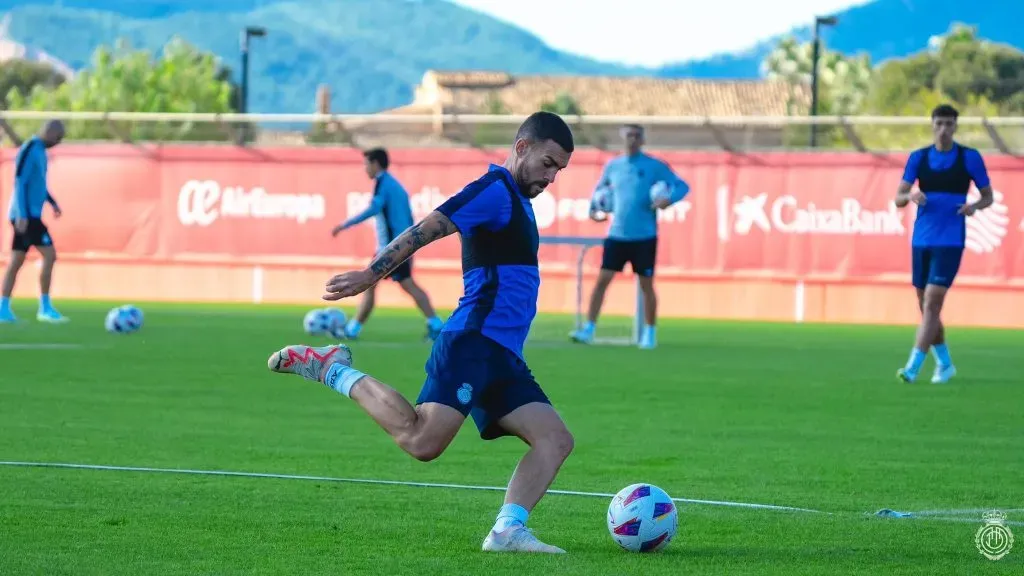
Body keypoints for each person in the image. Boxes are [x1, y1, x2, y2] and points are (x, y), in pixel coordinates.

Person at [269, 112, 576, 553]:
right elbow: (426, 228)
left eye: (559, 170)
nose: (551, 176)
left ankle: (507, 532)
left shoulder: (517, 199)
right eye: (548, 163)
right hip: (473, 343)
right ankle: (331, 369)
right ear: (522, 147)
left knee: (555, 439)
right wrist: (370, 274)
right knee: (422, 441)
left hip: (503, 355)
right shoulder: (493, 191)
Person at [895, 104, 993, 384]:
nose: (944, 129)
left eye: (949, 124)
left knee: (933, 303)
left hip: (950, 240)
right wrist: (911, 194)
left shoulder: (969, 158)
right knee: (925, 306)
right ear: (932, 125)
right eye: (939, 123)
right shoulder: (919, 158)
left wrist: (974, 206)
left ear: (955, 127)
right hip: (921, 239)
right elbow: (898, 197)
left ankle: (912, 367)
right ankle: (946, 364)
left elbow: (988, 197)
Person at [569, 124, 689, 349]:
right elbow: (599, 194)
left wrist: (668, 199)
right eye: (628, 136)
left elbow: (682, 186)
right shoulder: (613, 166)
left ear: (642, 140)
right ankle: (589, 329)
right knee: (602, 281)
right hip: (617, 235)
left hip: (644, 236)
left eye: (636, 136)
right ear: (623, 138)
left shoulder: (654, 166)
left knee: (646, 285)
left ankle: (649, 334)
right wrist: (594, 211)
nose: (632, 140)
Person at [331, 148, 444, 341]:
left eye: (366, 164)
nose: (364, 168)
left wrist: (345, 225)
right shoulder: (392, 184)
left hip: (393, 248)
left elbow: (373, 209)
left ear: (375, 164)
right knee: (376, 285)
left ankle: (437, 326)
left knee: (401, 285)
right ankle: (352, 330)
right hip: (397, 246)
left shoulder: (385, 184)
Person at [1, 120, 67, 324]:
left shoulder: (41, 152)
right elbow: (20, 180)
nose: (58, 142)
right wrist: (21, 213)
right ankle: (45, 308)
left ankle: (3, 309)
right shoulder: (30, 148)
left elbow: (38, 184)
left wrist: (52, 202)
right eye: (58, 137)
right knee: (50, 254)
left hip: (29, 215)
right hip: (27, 216)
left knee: (16, 261)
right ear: (49, 131)